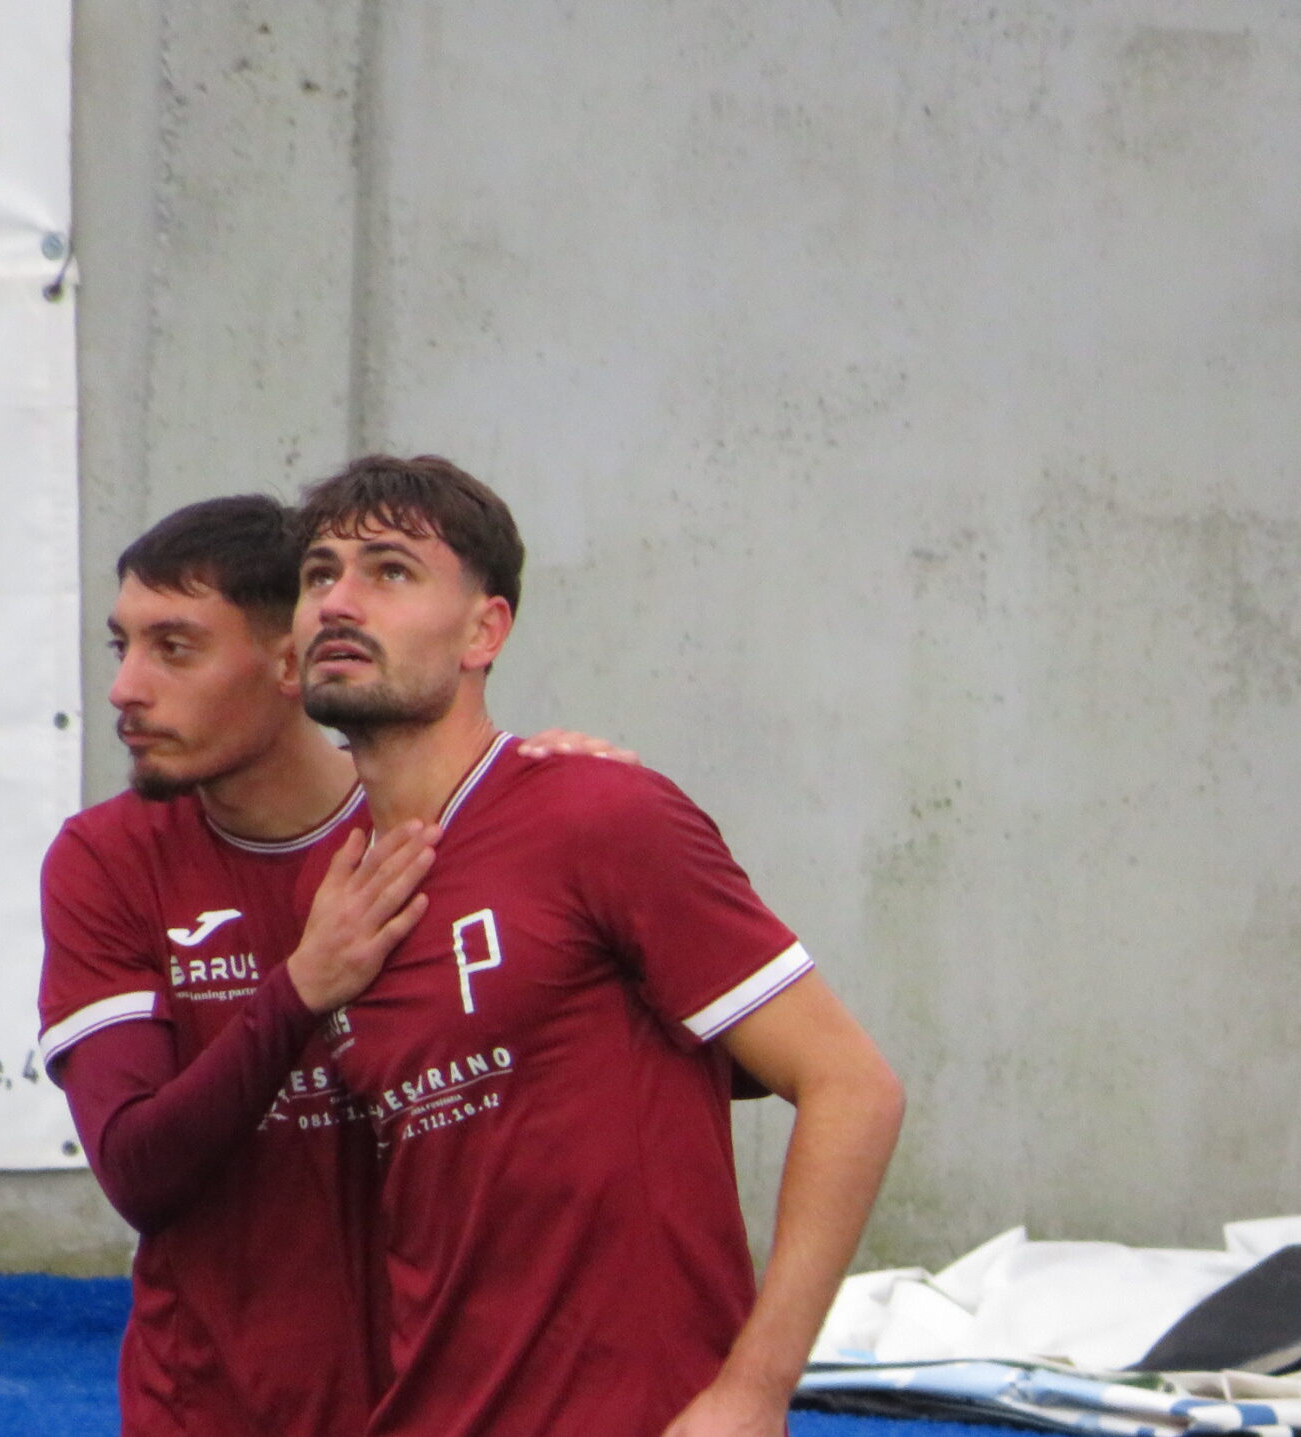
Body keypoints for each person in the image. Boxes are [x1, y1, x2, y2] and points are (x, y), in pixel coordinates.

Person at [292, 456, 907, 1437]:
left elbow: (853, 1088)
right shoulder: (330, 901)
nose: (339, 600)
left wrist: (752, 1392)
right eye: (319, 574)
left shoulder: (598, 814)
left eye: (390, 571)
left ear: (483, 631)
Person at [37, 494, 631, 1437]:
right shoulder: (106, 860)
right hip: (210, 1408)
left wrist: (588, 820)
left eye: (175, 648)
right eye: (124, 647)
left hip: (450, 1403)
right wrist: (304, 989)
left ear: (292, 662)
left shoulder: (458, 831)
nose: (125, 689)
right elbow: (138, 1171)